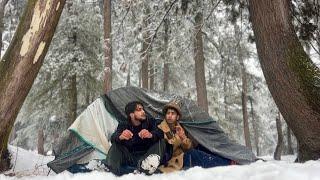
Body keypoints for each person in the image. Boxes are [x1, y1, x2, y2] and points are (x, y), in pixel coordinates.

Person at [158, 100, 233, 173]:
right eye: (168, 113)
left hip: (183, 156)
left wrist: (183, 137)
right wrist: (178, 137)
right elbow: (167, 149)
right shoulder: (160, 128)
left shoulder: (179, 127)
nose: (170, 116)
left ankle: (228, 159)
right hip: (174, 161)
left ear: (177, 117)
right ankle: (227, 164)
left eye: (172, 113)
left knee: (202, 147)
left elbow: (188, 147)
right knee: (194, 154)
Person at [106, 101, 166, 176]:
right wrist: (120, 136)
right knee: (115, 145)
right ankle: (109, 172)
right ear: (131, 114)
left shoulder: (150, 122)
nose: (143, 112)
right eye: (139, 110)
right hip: (130, 157)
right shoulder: (123, 125)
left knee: (161, 142)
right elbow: (113, 138)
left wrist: (150, 135)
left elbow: (160, 133)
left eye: (143, 109)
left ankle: (146, 168)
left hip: (147, 158)